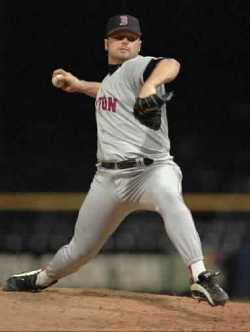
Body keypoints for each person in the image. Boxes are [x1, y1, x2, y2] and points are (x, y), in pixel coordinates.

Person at [3, 14, 228, 306]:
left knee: (171, 199)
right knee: (79, 250)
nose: (125, 41)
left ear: (139, 45)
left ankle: (200, 277)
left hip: (152, 171)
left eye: (131, 38)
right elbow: (108, 92)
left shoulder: (139, 67)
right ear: (106, 43)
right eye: (119, 36)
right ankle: (43, 278)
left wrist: (149, 86)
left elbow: (172, 64)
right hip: (108, 180)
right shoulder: (114, 80)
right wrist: (80, 85)